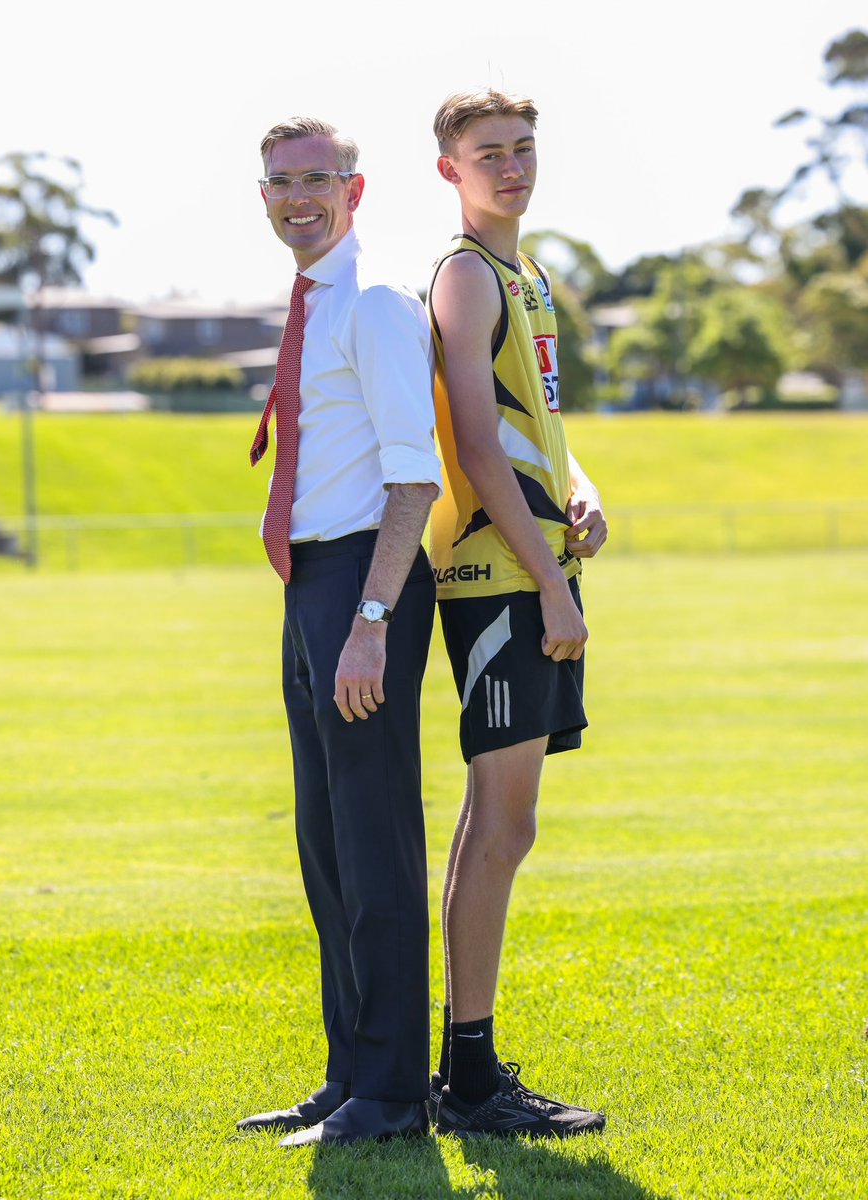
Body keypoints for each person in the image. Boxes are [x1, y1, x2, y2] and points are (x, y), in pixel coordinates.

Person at [236, 116, 441, 1147]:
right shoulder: (314, 304)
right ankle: (348, 1077)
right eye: (281, 181)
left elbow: (415, 477)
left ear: (356, 192)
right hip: (309, 582)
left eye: (319, 178)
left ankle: (396, 1092)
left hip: (365, 585)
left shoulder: (373, 305)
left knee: (375, 848)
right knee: (327, 849)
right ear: (263, 195)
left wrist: (369, 619)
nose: (298, 196)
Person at [425, 90, 609, 1138]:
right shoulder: (463, 274)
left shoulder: (526, 275)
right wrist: (547, 580)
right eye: (488, 153)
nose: (510, 166)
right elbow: (478, 446)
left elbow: (537, 426)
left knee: (499, 822)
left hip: (535, 564)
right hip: (499, 580)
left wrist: (587, 490)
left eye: (523, 149)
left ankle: (469, 1069)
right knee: (504, 824)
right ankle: (473, 1079)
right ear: (448, 169)